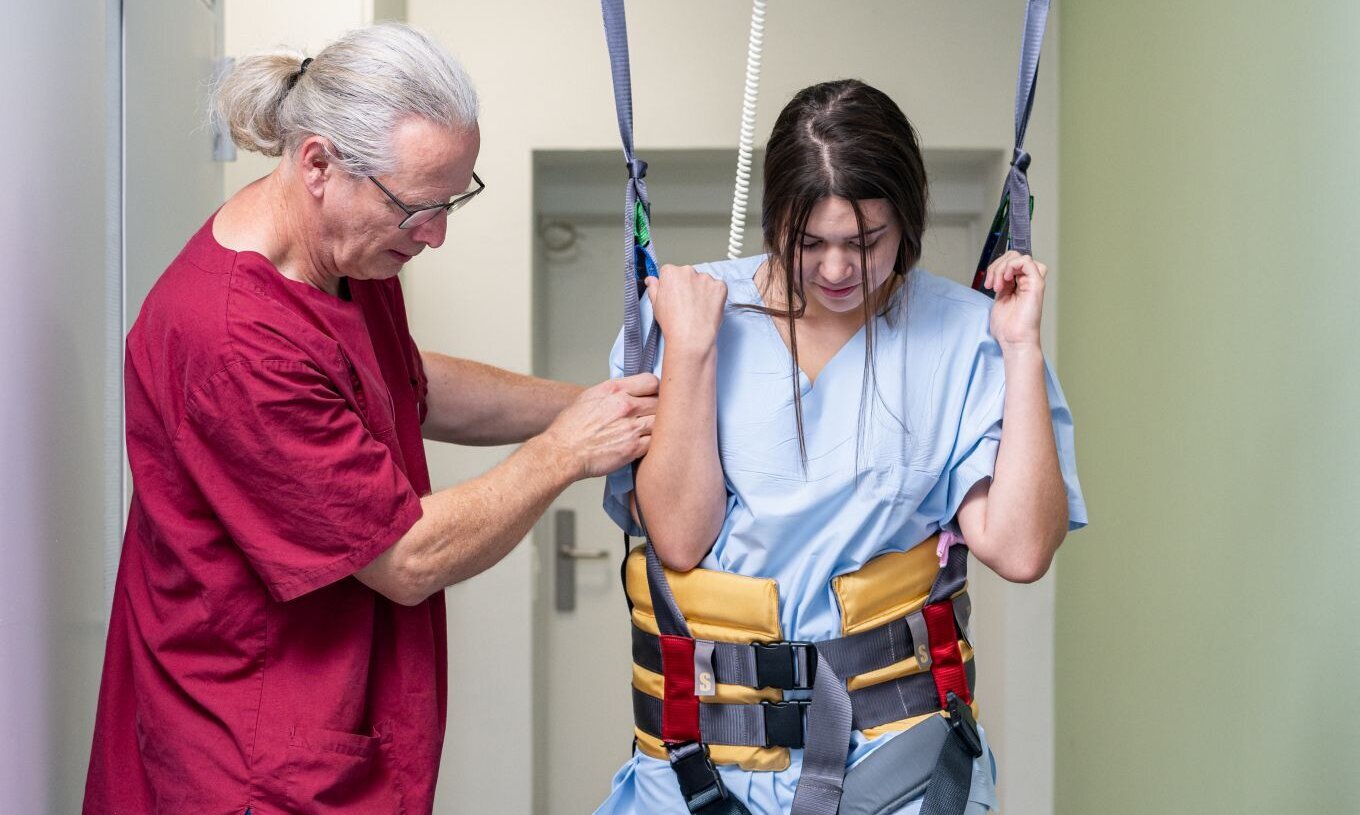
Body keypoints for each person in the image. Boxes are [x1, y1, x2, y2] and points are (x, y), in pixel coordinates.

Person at [83, 23, 657, 815]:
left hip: (332, 731)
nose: (437, 233)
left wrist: (594, 405)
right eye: (418, 208)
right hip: (246, 760)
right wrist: (564, 452)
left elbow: (408, 386)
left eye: (453, 199)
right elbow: (406, 557)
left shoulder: (349, 256)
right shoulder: (230, 334)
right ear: (318, 164)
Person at [597, 79, 1086, 815]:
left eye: (865, 242)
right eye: (809, 242)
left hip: (896, 766)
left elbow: (1020, 550)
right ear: (775, 222)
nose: (835, 269)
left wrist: (1020, 348)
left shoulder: (967, 336)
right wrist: (693, 355)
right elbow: (678, 537)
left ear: (907, 222)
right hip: (699, 768)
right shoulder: (685, 317)